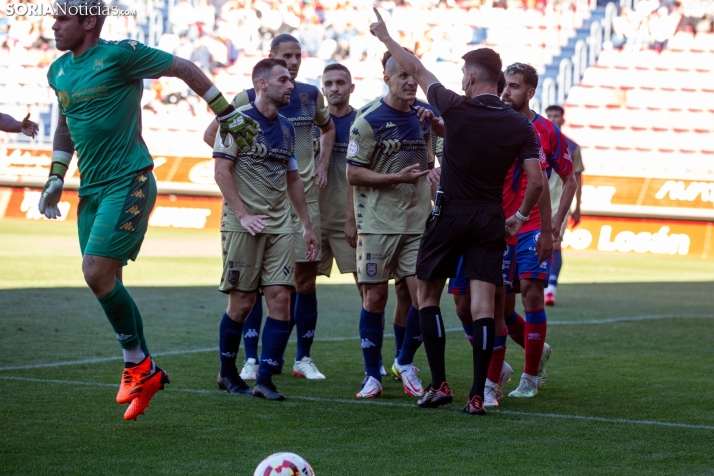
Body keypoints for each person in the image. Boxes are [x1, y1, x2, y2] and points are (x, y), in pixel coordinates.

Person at [39, 0, 257, 421]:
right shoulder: (58, 71)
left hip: (129, 179)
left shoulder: (121, 55)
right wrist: (55, 174)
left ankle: (137, 362)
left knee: (95, 271)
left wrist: (225, 113)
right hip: (92, 190)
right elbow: (65, 121)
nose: (52, 26)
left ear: (88, 21)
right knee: (106, 279)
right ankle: (146, 371)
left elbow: (183, 67)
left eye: (61, 18)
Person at [370, 8, 544, 415]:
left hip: (448, 213)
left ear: (470, 77)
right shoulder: (520, 126)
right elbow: (536, 181)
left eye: (464, 72)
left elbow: (415, 65)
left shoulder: (454, 106)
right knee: (487, 308)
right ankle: (477, 395)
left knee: (427, 296)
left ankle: (440, 384)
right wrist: (518, 216)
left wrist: (385, 37)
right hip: (489, 218)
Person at [204, 34, 335, 381]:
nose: (291, 82)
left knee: (281, 299)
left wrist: (306, 224)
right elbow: (220, 170)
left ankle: (265, 379)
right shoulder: (236, 120)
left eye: (291, 77)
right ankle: (229, 372)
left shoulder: (289, 127)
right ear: (262, 83)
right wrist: (243, 214)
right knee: (243, 302)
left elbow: (294, 179)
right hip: (245, 224)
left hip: (280, 225)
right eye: (283, 78)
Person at [346, 52, 434, 399]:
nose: (411, 82)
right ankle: (372, 375)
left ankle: (404, 361)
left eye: (414, 75)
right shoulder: (368, 120)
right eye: (403, 76)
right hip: (378, 224)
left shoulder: (426, 115)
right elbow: (352, 173)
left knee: (423, 300)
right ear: (387, 77)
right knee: (375, 298)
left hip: (417, 223)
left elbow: (435, 160)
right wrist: (394, 176)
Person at [500, 63, 577, 398]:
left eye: (514, 87)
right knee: (500, 306)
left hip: (532, 223)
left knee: (532, 291)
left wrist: (556, 221)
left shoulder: (547, 130)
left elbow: (568, 177)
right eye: (504, 86)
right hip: (499, 224)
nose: (506, 92)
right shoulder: (493, 124)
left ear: (530, 91)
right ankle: (538, 350)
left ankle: (530, 378)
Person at [445, 72, 515, 408]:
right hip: (461, 223)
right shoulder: (469, 119)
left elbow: (536, 178)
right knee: (462, 307)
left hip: (495, 227)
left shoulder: (513, 127)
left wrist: (532, 220)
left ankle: (489, 384)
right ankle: (490, 365)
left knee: (495, 309)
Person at [317, 64, 358, 286]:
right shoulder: (310, 124)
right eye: (329, 84)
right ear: (322, 90)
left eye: (340, 83)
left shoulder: (364, 121)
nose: (334, 88)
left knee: (369, 290)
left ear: (351, 87)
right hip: (314, 218)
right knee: (300, 286)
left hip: (351, 220)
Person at [544, 105, 584, 306]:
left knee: (555, 243)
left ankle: (550, 289)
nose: (552, 118)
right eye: (549, 115)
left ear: (562, 119)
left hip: (561, 201)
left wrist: (577, 207)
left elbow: (577, 177)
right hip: (538, 200)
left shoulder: (572, 146)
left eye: (556, 116)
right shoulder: (537, 139)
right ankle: (540, 284)